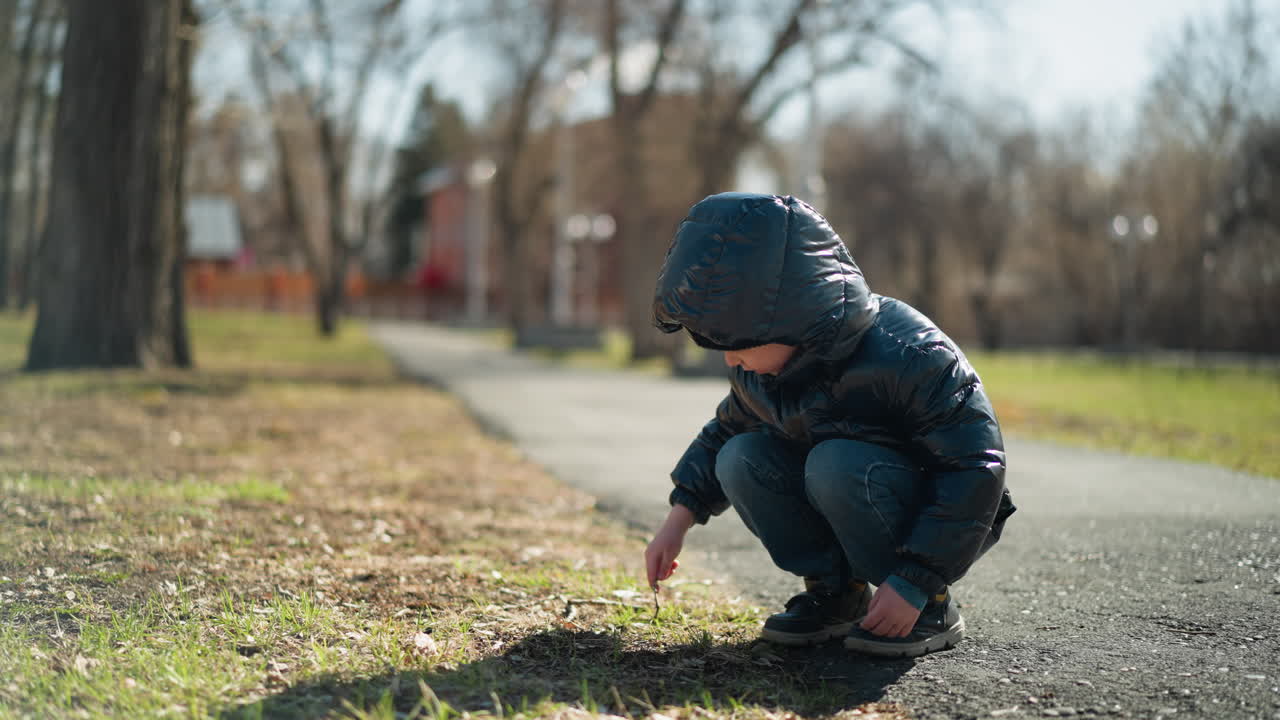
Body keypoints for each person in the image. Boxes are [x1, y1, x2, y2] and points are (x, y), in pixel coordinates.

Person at [644, 192, 1016, 658]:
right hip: (848, 486)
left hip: (932, 514)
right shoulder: (760, 369)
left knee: (834, 462)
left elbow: (975, 466)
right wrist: (678, 519)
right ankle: (836, 594)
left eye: (734, 340)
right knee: (739, 457)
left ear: (788, 318)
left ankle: (929, 608)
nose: (728, 357)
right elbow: (724, 430)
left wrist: (918, 579)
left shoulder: (908, 354)